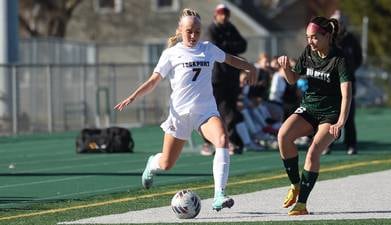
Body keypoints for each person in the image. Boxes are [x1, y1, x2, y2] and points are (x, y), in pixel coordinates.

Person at [114, 8, 256, 212]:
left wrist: (249, 66)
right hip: (179, 115)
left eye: (197, 31)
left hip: (205, 112)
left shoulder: (208, 49)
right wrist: (133, 96)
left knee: (223, 140)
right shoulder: (171, 54)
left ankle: (219, 195)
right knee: (166, 163)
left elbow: (231, 59)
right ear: (180, 30)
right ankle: (152, 163)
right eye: (189, 31)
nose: (193, 35)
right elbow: (154, 81)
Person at [276, 16, 353, 215]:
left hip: (330, 115)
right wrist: (285, 68)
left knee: (313, 152)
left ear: (327, 36)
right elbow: (292, 80)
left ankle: (301, 204)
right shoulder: (309, 52)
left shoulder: (339, 59)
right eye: (308, 37)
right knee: (283, 136)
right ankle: (296, 185)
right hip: (309, 108)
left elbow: (347, 94)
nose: (310, 41)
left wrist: (341, 122)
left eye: (314, 37)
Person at [201, 4, 248, 156]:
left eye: (226, 14)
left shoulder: (231, 28)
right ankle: (209, 142)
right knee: (213, 111)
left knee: (230, 110)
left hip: (231, 77)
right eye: (221, 14)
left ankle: (231, 142)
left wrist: (227, 47)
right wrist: (230, 47)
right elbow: (215, 48)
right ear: (216, 15)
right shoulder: (211, 30)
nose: (224, 17)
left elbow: (243, 44)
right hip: (217, 78)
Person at [322, 10, 362, 155]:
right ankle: (327, 144)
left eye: (340, 22)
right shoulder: (327, 39)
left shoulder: (351, 39)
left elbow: (358, 58)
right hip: (332, 83)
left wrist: (348, 71)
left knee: (349, 116)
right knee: (331, 116)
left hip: (348, 82)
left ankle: (351, 145)